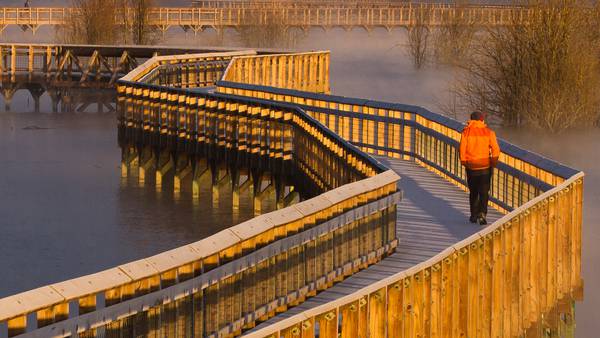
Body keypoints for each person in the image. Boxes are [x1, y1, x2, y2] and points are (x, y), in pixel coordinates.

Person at [459, 111, 500, 225]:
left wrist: (464, 162)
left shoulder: (466, 132)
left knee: (473, 192)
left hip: (471, 166)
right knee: (484, 192)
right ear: (481, 120)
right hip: (485, 167)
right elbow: (496, 149)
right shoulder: (489, 132)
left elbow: (462, 149)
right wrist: (493, 162)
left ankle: (473, 215)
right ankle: (482, 213)